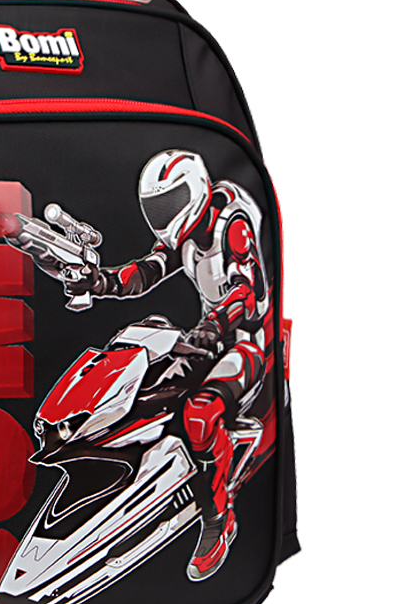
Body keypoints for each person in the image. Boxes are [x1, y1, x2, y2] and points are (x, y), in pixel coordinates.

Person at [14, 150, 269, 581]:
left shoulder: (232, 224)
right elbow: (146, 272)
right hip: (204, 337)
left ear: (196, 189)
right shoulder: (184, 234)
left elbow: (245, 291)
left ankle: (218, 517)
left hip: (246, 342)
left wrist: (213, 325)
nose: (165, 213)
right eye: (158, 205)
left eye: (172, 201)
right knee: (145, 381)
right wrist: (100, 282)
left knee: (199, 414)